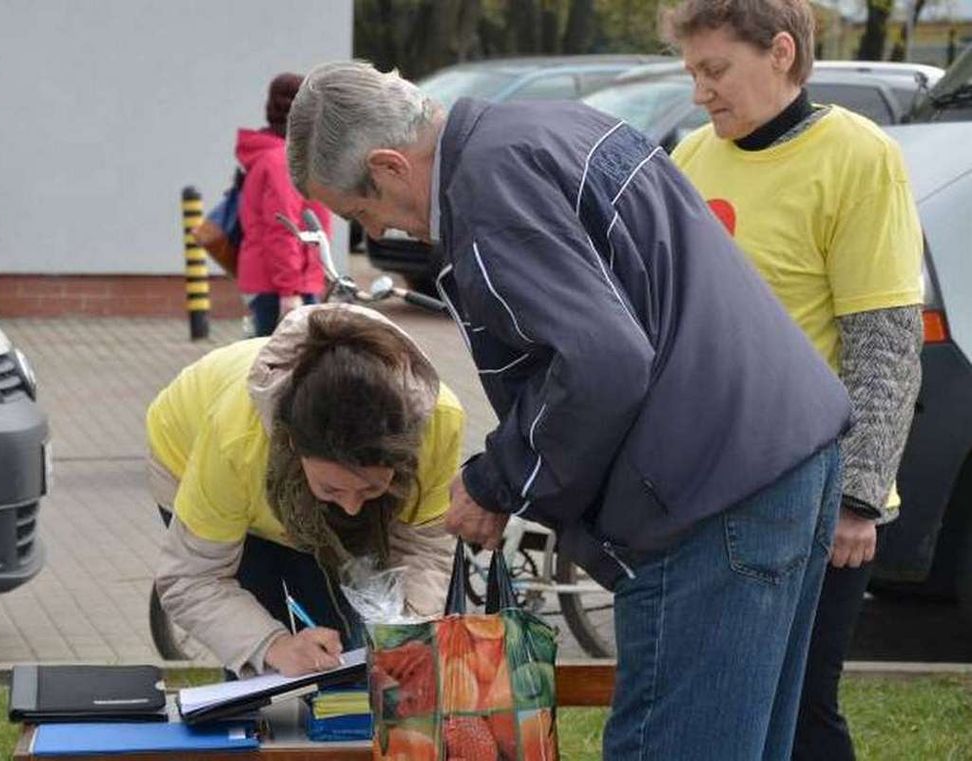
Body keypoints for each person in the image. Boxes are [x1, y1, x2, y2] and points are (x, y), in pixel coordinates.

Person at [288, 61, 851, 760]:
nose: (375, 229)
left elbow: (602, 360)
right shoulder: (548, 128)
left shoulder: (486, 190)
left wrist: (497, 480)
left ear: (389, 164)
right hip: (785, 453)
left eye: (359, 212)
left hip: (708, 492)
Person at [664, 3, 924, 759]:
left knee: (802, 712)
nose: (700, 92)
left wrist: (857, 498)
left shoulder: (859, 156)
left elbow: (884, 346)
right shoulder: (690, 157)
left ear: (781, 52)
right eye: (692, 73)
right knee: (726, 711)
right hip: (711, 493)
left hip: (816, 504)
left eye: (715, 70)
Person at [147, 303, 463, 677]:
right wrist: (272, 645)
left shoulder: (437, 423)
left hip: (260, 470)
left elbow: (424, 546)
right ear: (294, 447)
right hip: (191, 459)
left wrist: (410, 628)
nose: (349, 509)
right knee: (272, 661)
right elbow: (193, 578)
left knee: (347, 651)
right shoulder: (236, 441)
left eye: (370, 489)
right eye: (332, 490)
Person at [213, 72, 331, 337]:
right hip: (283, 286)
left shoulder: (273, 155)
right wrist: (289, 292)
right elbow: (282, 229)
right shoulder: (283, 162)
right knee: (282, 368)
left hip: (278, 281)